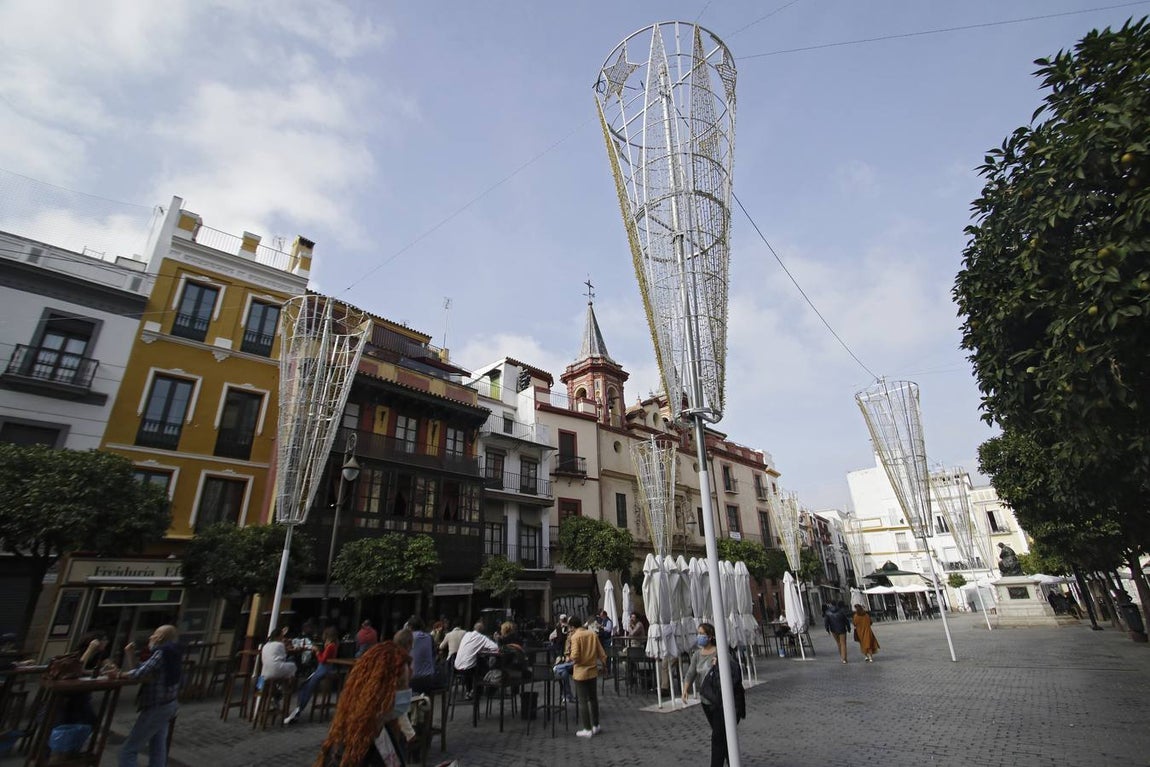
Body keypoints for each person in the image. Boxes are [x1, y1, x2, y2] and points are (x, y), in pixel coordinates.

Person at [313, 641, 412, 767]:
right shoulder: (347, 749)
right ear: (378, 690)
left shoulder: (384, 730)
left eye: (407, 684)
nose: (407, 692)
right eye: (401, 685)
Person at [117, 624, 182, 767]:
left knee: (128, 750)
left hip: (157, 706)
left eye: (155, 634)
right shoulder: (172, 652)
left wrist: (118, 675)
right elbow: (144, 668)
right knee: (158, 748)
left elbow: (140, 673)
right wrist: (130, 654)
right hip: (169, 705)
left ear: (160, 637)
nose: (151, 636)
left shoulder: (162, 652)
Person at [682, 622, 745, 767]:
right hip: (706, 701)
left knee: (718, 737)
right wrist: (685, 689)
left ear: (710, 637)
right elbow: (691, 673)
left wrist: (721, 664)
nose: (699, 637)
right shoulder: (697, 655)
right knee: (722, 735)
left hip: (722, 702)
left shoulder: (721, 652)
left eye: (702, 634)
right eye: (698, 634)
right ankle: (733, 761)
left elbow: (734, 671)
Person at [286, 626, 339, 724]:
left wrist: (317, 652)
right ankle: (298, 709)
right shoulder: (333, 645)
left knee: (307, 686)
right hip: (324, 669)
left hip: (323, 669)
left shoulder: (330, 646)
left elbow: (322, 660)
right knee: (306, 685)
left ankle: (299, 709)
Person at [567, 615, 606, 738]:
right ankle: (596, 725)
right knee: (593, 699)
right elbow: (601, 652)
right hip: (592, 670)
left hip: (580, 672)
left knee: (583, 701)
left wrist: (569, 658)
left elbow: (576, 656)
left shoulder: (575, 637)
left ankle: (587, 728)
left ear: (573, 627)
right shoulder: (592, 634)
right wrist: (604, 664)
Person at [452, 621, 498, 699]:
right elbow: (495, 647)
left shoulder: (466, 635)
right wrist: (495, 640)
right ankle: (477, 690)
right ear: (482, 630)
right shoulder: (482, 638)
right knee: (482, 665)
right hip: (468, 669)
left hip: (456, 668)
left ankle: (468, 691)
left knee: (471, 662)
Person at [406, 617, 441, 693]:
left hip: (411, 679)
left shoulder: (407, 637)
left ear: (410, 627)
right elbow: (434, 655)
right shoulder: (429, 637)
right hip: (428, 679)